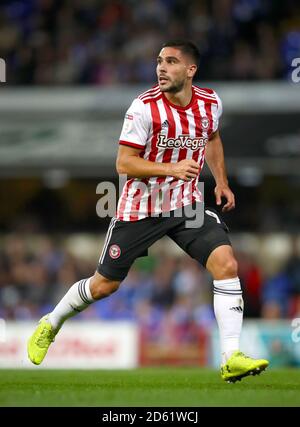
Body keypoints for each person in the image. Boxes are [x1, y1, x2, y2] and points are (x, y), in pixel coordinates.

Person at [27, 40, 268, 382]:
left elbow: (211, 138)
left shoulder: (211, 103)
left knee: (226, 263)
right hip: (141, 207)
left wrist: (222, 181)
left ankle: (230, 356)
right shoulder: (143, 108)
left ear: (190, 70)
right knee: (104, 286)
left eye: (171, 61)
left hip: (186, 204)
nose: (161, 68)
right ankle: (51, 322)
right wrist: (172, 170)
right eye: (159, 61)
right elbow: (123, 162)